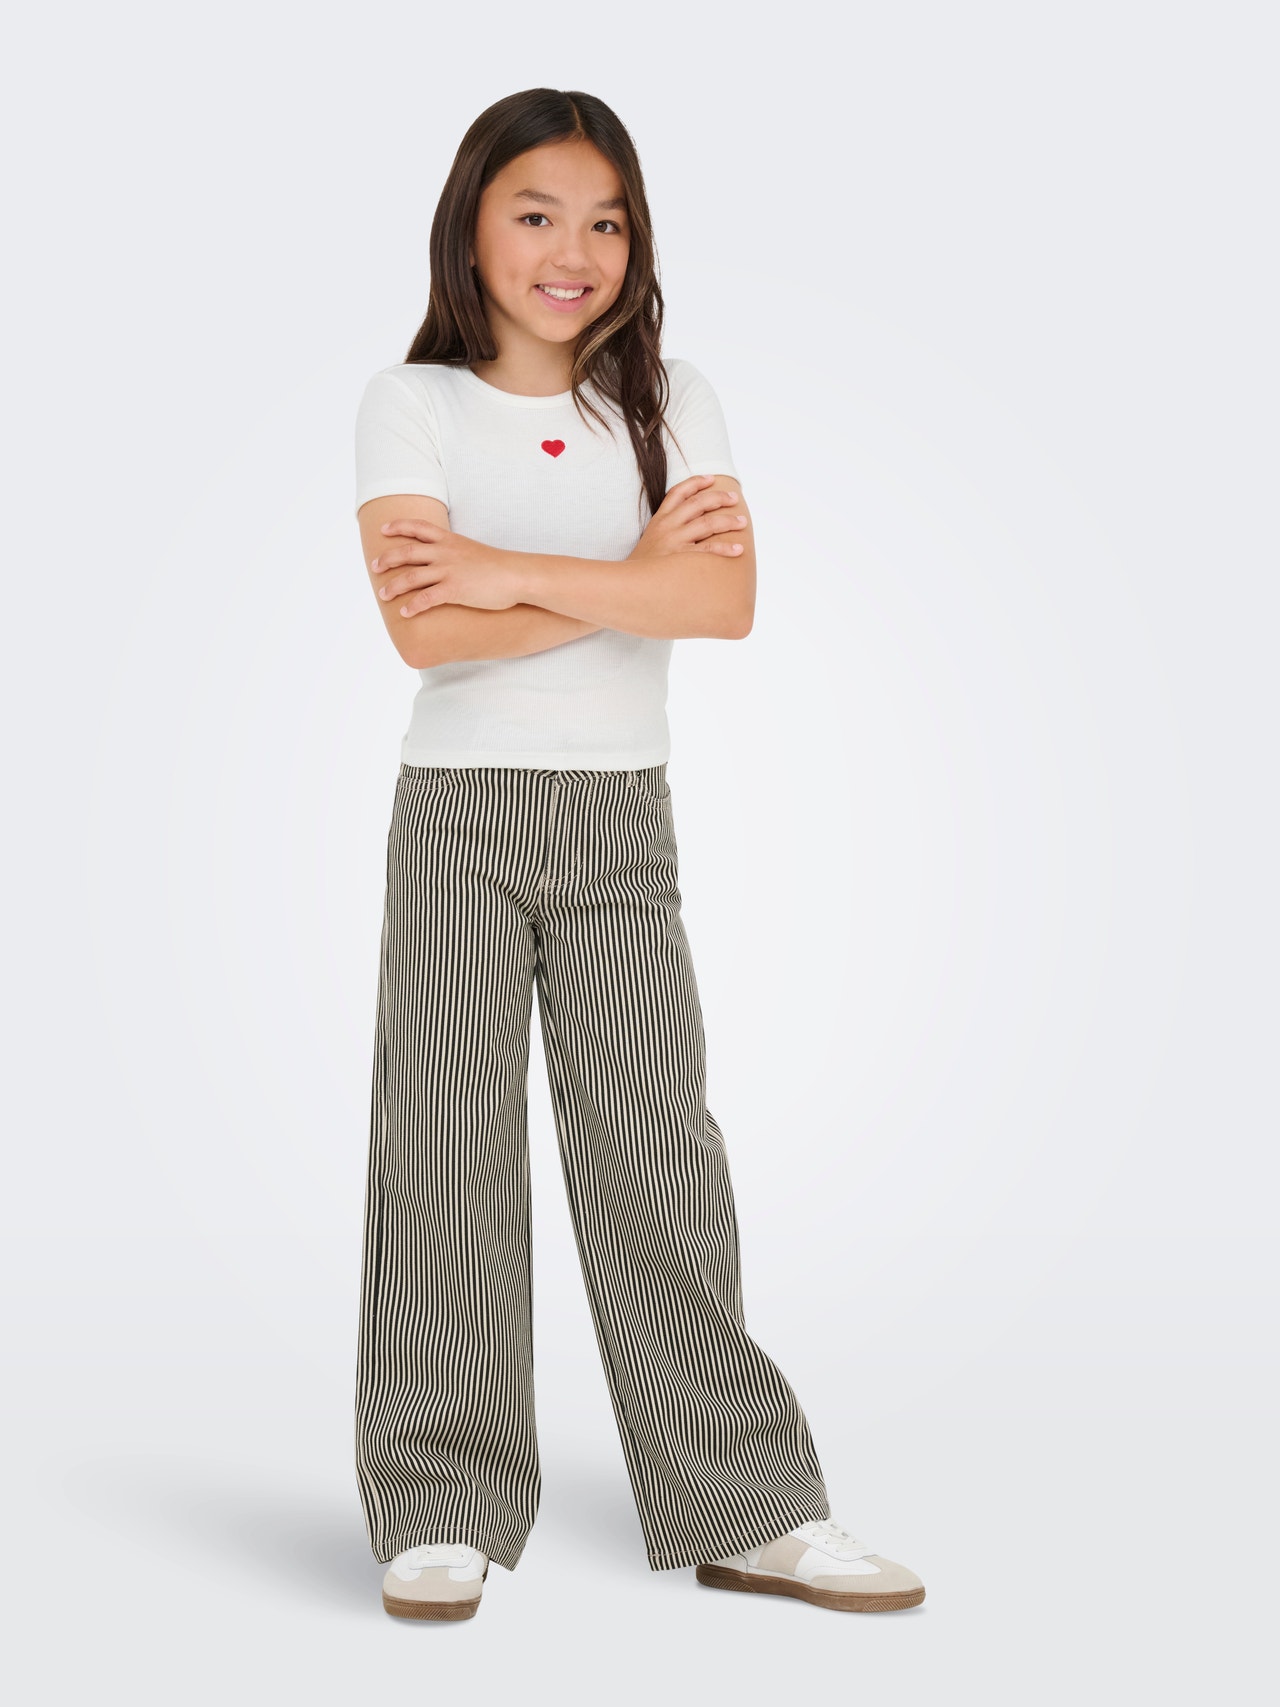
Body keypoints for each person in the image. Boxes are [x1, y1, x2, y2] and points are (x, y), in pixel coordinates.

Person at [352, 86, 926, 1623]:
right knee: (445, 1153)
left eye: (605, 221)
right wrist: (627, 576)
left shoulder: (675, 401)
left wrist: (501, 568)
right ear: (472, 227)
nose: (574, 251)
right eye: (537, 214)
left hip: (620, 817)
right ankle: (439, 1501)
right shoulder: (412, 405)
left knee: (657, 1157)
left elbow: (721, 605)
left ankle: (748, 1502)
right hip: (461, 812)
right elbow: (423, 630)